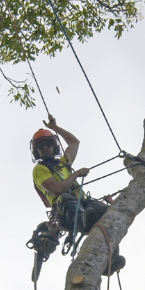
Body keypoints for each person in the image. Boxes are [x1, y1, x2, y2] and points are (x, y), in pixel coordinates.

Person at [31, 114, 125, 275]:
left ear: (54, 146)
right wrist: (76, 174)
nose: (45, 148)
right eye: (41, 146)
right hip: (65, 211)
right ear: (37, 151)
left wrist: (55, 128)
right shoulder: (39, 170)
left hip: (84, 204)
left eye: (48, 144)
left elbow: (74, 142)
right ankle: (83, 222)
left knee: (104, 211)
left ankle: (111, 259)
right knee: (66, 197)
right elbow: (57, 189)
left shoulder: (62, 163)